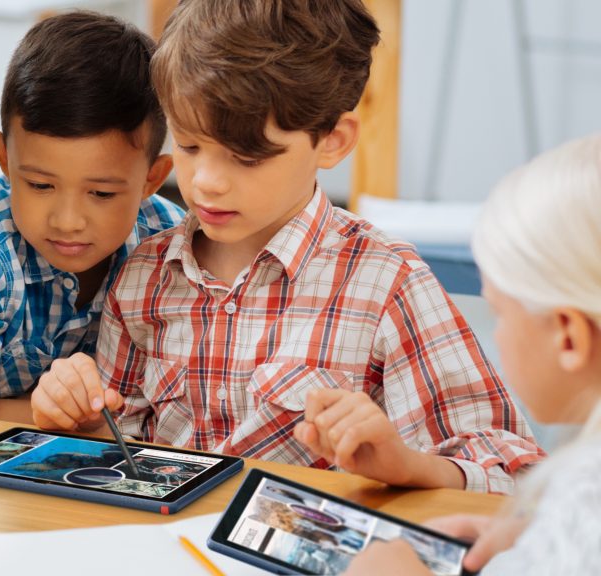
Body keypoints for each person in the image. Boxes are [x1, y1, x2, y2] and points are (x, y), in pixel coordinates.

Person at [30, 0, 543, 494]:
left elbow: (514, 477)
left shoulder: (386, 284)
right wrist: (77, 418)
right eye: (188, 145)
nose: (207, 182)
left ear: (333, 141)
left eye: (246, 157)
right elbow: (123, 458)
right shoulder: (144, 275)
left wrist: (408, 465)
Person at [345, 135, 601, 574]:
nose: (495, 333)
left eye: (499, 313)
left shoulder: (585, 493)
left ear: (569, 337)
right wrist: (534, 539)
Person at [0, 11, 183, 423]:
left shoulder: (170, 247)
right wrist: (71, 421)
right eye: (41, 186)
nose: (67, 221)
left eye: (101, 193)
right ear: (4, 159)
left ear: (153, 179)